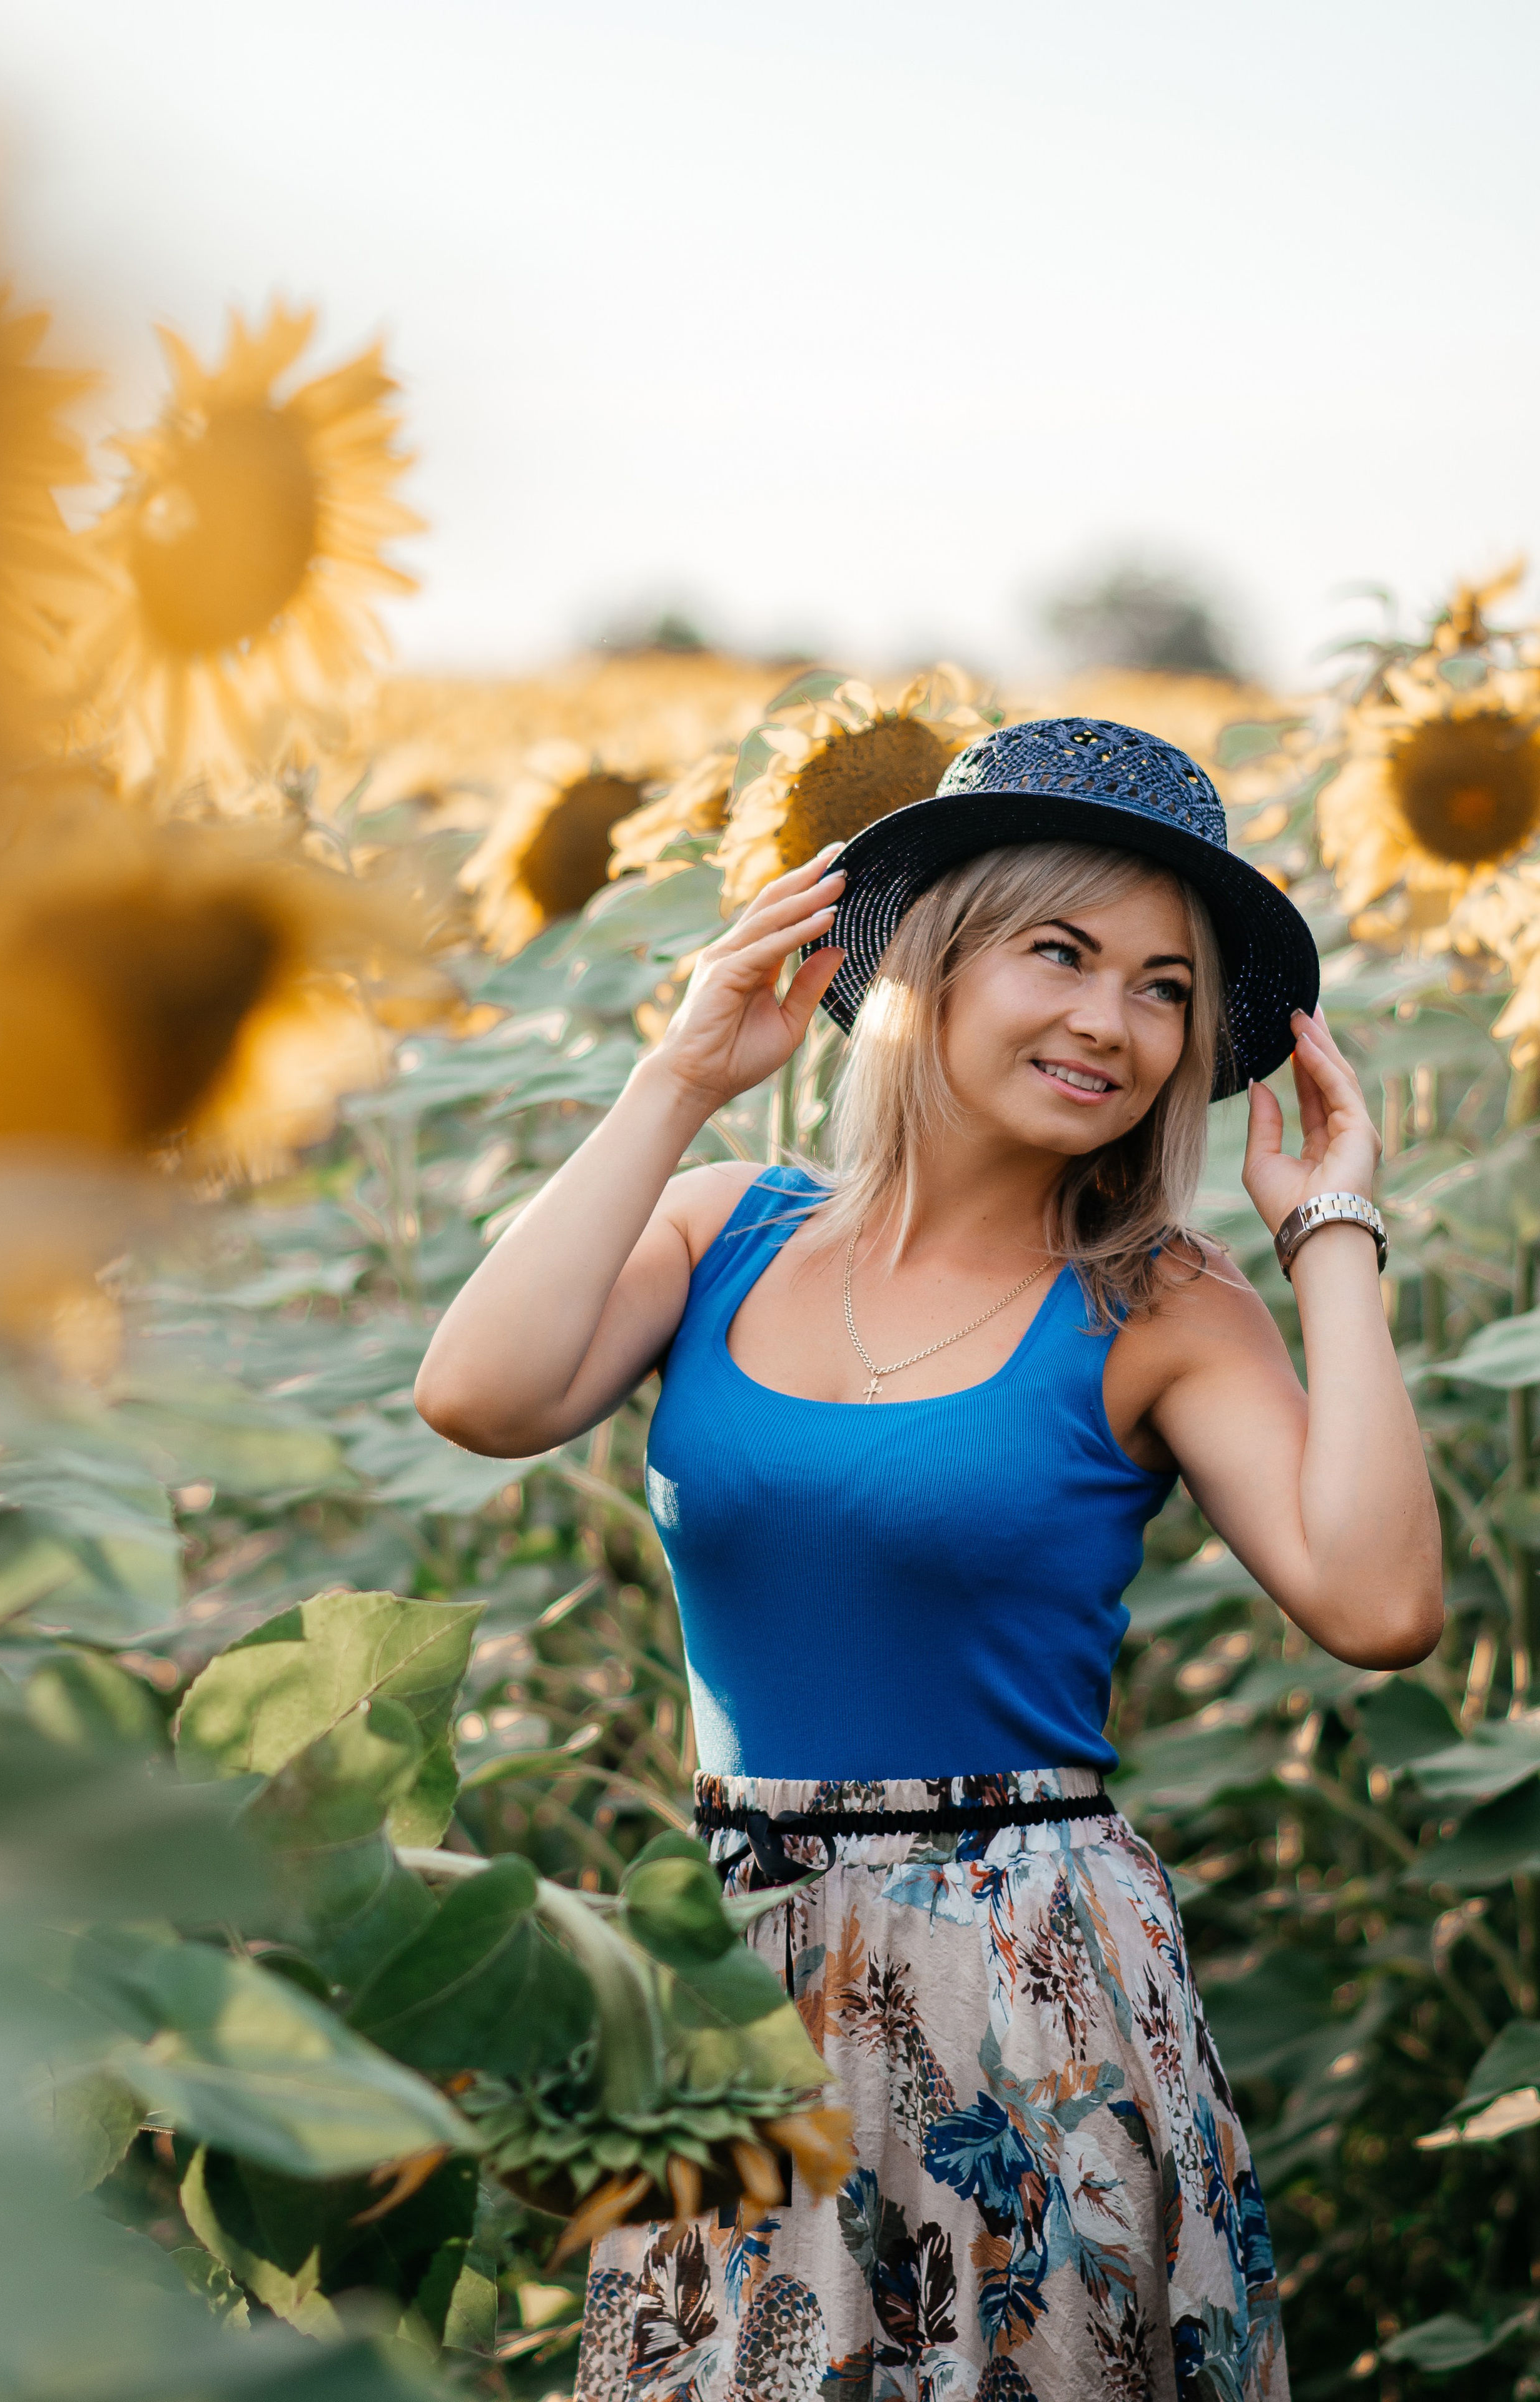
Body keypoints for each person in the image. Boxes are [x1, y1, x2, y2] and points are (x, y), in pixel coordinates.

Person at [415, 718, 1442, 2402]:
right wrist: (676, 1076)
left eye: (1165, 986)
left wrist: (1330, 1229)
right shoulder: (723, 1228)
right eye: (1062, 952)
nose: (1111, 1022)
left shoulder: (1157, 1299)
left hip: (1031, 1985)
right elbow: (479, 1392)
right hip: (740, 1969)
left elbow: (1382, 1602)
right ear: (932, 959)